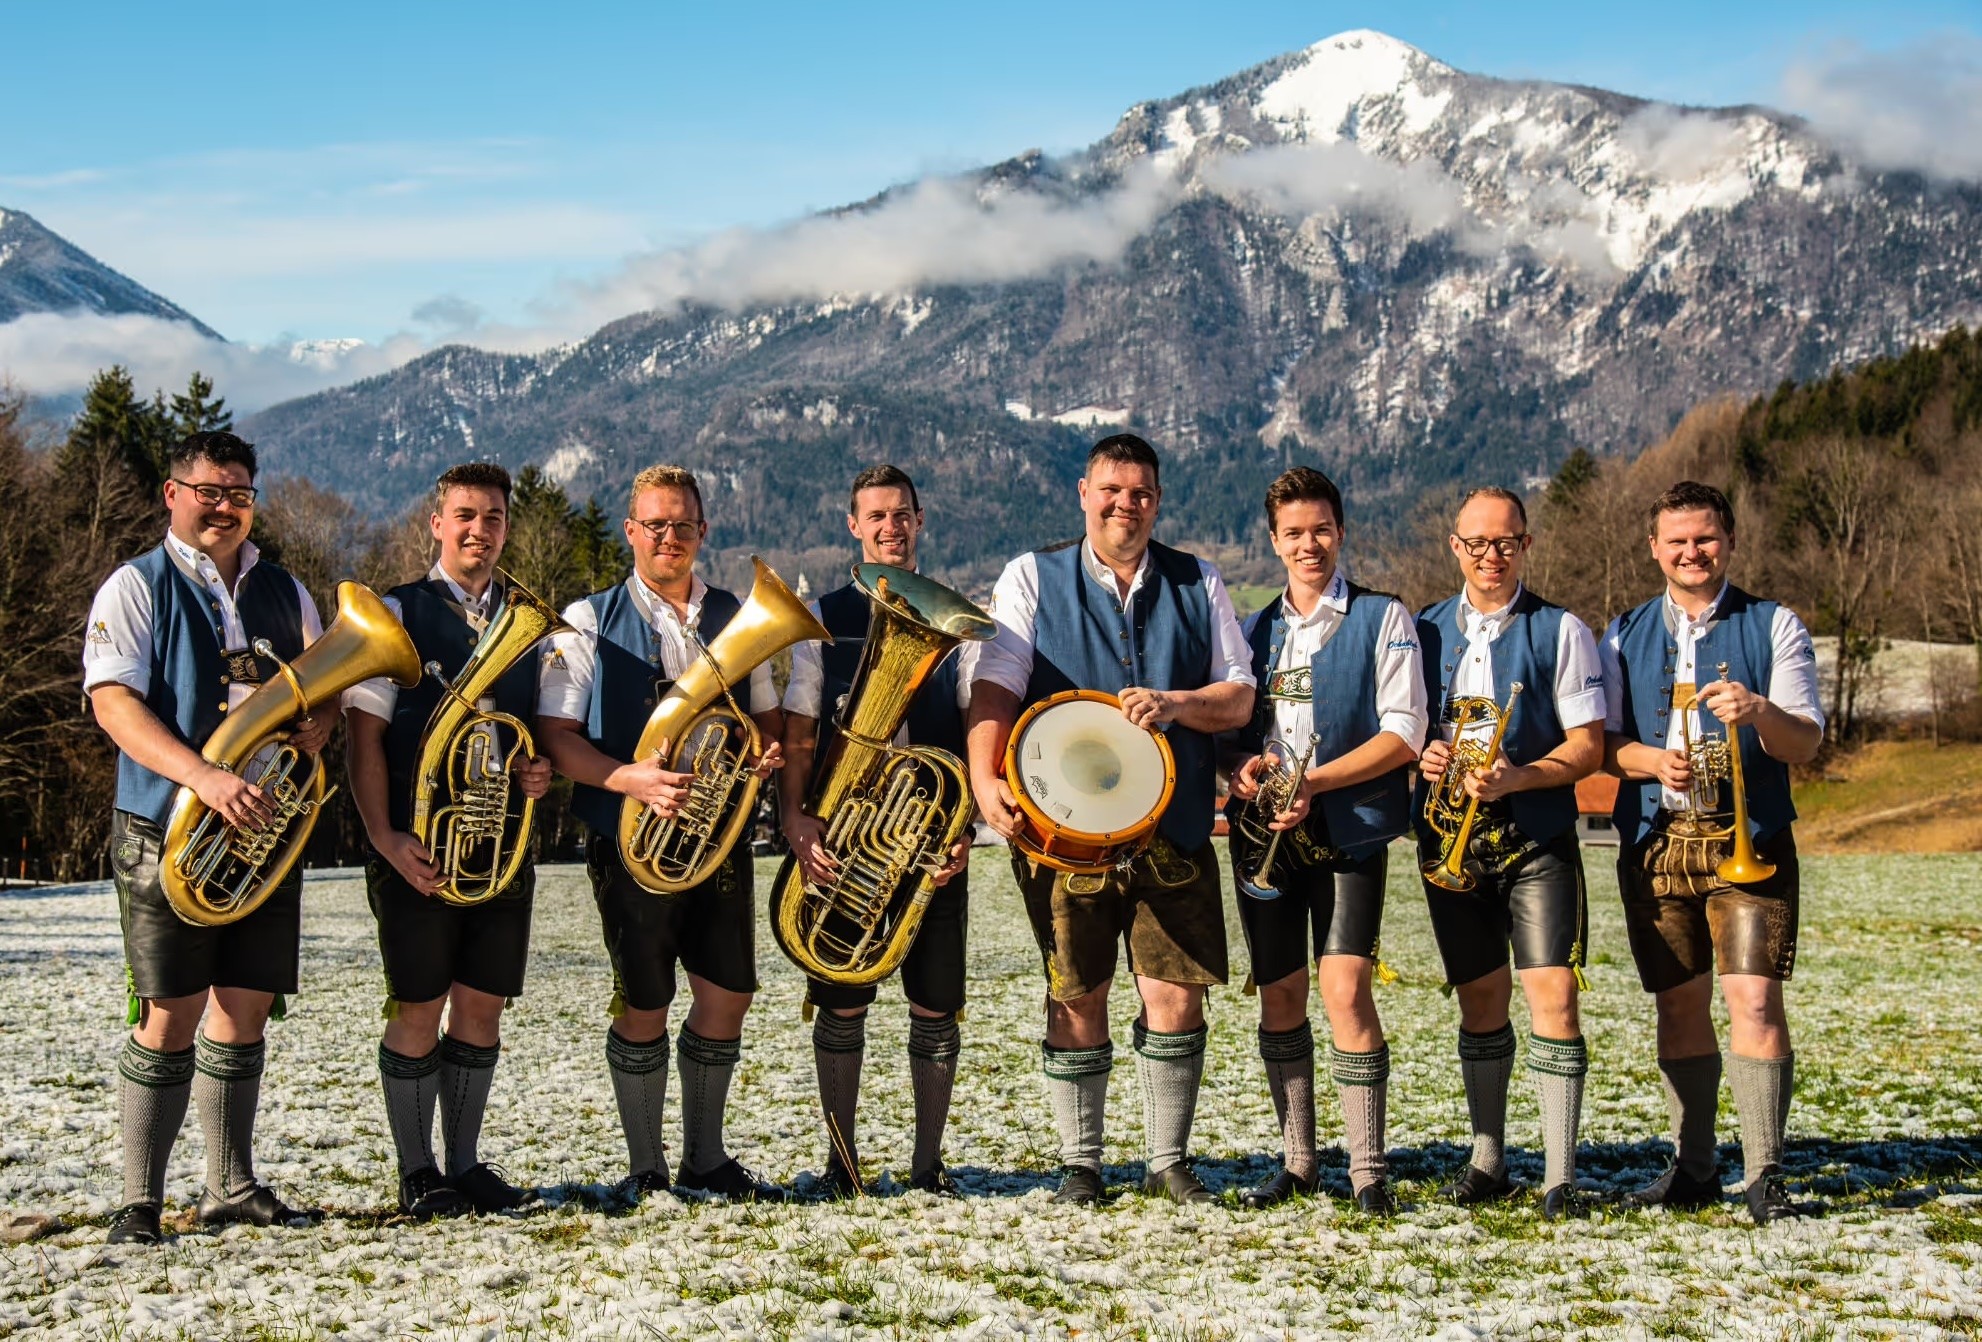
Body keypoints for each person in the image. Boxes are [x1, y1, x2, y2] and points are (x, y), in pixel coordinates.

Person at [966, 433, 1255, 1205]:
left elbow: (1240, 694)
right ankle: (1081, 1165)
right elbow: (995, 687)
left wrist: (1178, 703)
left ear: (1156, 501)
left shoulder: (1201, 581)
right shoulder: (1031, 576)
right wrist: (984, 780)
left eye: (1141, 493)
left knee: (1174, 993)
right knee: (1076, 990)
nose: (1125, 504)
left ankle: (1167, 1161)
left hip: (1176, 824)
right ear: (1083, 492)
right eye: (1111, 490)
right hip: (1065, 830)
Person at [83, 430, 329, 1245]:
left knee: (246, 1006)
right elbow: (114, 705)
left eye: (240, 494)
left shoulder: (286, 592)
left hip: (264, 835)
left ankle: (230, 1186)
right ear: (172, 494)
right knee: (171, 1011)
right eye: (210, 491)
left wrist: (315, 729)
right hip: (168, 828)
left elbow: (322, 694)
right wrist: (204, 776)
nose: (225, 506)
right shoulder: (135, 585)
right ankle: (140, 1201)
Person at [535, 463, 786, 1201]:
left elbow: (766, 717)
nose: (668, 537)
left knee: (726, 993)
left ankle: (704, 1158)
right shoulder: (588, 619)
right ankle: (646, 1168)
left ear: (702, 532)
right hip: (628, 838)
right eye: (655, 524)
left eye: (682, 525)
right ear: (631, 532)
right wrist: (629, 779)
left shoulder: (742, 617)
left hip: (720, 840)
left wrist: (765, 751)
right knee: (644, 1000)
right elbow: (557, 737)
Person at [1601, 480, 1823, 1225]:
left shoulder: (1775, 624)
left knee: (1755, 997)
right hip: (1659, 843)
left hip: (1750, 841)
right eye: (1678, 541)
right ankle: (1693, 1167)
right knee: (1678, 1002)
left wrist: (1761, 711)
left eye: (1706, 538)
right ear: (1654, 549)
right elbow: (1599, 744)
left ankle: (1765, 1174)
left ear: (1729, 540)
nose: (1692, 552)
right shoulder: (1622, 631)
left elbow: (1808, 740)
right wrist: (1645, 761)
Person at [342, 463, 553, 1219]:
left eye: (493, 517)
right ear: (437, 523)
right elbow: (363, 738)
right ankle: (416, 1168)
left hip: (500, 848)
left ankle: (463, 1161)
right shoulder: (396, 612)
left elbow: (534, 737)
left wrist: (535, 771)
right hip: (419, 847)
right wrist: (384, 836)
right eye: (465, 515)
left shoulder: (529, 622)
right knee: (417, 1004)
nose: (479, 529)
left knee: (482, 1006)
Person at [1223, 467, 1427, 1214]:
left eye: (1321, 530)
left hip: (1347, 832)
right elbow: (1233, 728)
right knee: (1279, 995)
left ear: (1340, 532)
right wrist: (1239, 767)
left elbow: (1405, 733)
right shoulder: (1253, 629)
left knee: (1345, 991)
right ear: (1273, 543)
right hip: (1264, 836)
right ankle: (1299, 1164)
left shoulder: (1383, 617)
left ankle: (1368, 1170)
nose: (1309, 545)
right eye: (1294, 534)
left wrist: (1320, 782)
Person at [781, 465, 973, 1198]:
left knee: (934, 1003)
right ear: (852, 527)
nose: (890, 527)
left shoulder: (958, 621)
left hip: (929, 849)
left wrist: (966, 826)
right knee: (842, 1000)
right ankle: (842, 1165)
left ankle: (928, 1167)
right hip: (842, 843)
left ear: (919, 522)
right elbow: (800, 733)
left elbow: (973, 728)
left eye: (902, 515)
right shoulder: (819, 619)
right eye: (876, 516)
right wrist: (795, 818)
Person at [1415, 486, 1604, 1219]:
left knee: (1552, 994)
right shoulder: (1423, 629)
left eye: (1506, 542)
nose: (1491, 556)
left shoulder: (1561, 630)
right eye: (1476, 543)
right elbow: (1400, 728)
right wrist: (1423, 759)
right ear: (1454, 546)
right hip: (1448, 837)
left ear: (1527, 545)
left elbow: (1588, 746)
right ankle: (1488, 1158)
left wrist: (1521, 775)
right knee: (1480, 1001)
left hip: (1533, 837)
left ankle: (1560, 1172)